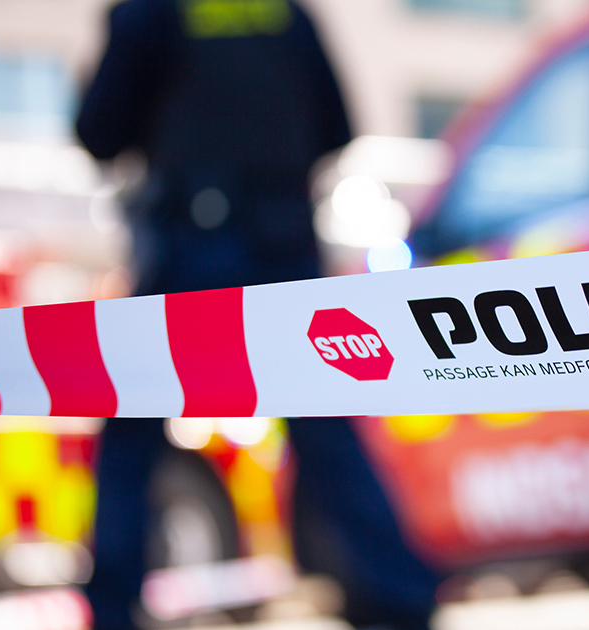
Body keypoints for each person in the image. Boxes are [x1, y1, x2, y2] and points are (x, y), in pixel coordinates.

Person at [75, 1, 440, 628]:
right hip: (282, 240)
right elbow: (337, 126)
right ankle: (398, 595)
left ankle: (112, 608)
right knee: (326, 420)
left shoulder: (152, 11)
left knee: (133, 420)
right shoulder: (284, 11)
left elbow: (98, 132)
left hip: (190, 243)